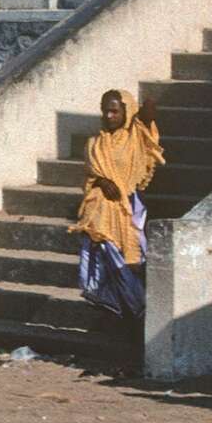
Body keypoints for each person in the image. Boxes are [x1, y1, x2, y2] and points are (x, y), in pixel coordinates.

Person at [69, 88, 165, 319]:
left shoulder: (136, 138)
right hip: (101, 215)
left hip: (130, 209)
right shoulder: (94, 144)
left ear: (126, 112)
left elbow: (149, 114)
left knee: (131, 263)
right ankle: (112, 309)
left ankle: (137, 313)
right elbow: (90, 177)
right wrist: (101, 181)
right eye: (105, 111)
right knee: (105, 263)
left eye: (114, 111)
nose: (109, 116)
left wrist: (143, 111)